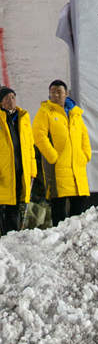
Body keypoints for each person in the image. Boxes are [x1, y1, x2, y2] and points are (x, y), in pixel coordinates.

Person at [33, 79, 92, 225]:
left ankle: (75, 238)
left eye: (59, 92)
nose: (56, 95)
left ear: (66, 94)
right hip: (58, 168)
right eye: (52, 92)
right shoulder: (45, 112)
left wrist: (85, 155)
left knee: (79, 205)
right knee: (58, 204)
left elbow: (84, 136)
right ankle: (60, 238)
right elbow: (38, 135)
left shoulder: (75, 113)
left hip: (77, 168)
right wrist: (52, 156)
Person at [0, 86, 37, 234]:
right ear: (1, 102)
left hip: (19, 170)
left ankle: (12, 238)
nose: (11, 100)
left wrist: (32, 170)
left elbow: (30, 147)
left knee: (15, 206)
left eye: (13, 97)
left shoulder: (23, 118)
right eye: (7, 98)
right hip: (3, 171)